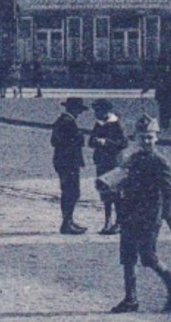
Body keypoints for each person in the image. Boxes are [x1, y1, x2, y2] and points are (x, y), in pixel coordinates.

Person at [102, 115, 171, 313]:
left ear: (156, 138)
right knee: (127, 257)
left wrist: (170, 216)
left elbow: (169, 191)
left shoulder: (159, 161)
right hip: (129, 213)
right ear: (136, 139)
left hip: (150, 215)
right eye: (143, 138)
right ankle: (130, 299)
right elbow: (123, 180)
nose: (147, 141)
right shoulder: (132, 158)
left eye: (150, 137)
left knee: (148, 257)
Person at [87, 98, 128, 235]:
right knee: (105, 194)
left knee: (116, 194)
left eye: (98, 111)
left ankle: (119, 222)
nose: (96, 114)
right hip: (102, 163)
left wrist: (106, 142)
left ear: (106, 111)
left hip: (114, 164)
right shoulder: (99, 124)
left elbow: (123, 143)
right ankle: (107, 222)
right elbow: (90, 141)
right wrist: (96, 142)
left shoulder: (116, 124)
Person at [51, 97, 90, 235]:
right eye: (78, 110)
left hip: (64, 161)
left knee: (70, 191)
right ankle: (67, 223)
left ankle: (68, 221)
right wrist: (79, 137)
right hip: (68, 162)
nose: (79, 113)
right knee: (71, 192)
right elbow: (62, 141)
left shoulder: (63, 121)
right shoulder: (67, 122)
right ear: (73, 109)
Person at [148, 51, 171, 133]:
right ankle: (164, 124)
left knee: (167, 108)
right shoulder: (160, 71)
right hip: (163, 92)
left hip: (168, 91)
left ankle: (165, 123)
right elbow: (153, 79)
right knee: (164, 108)